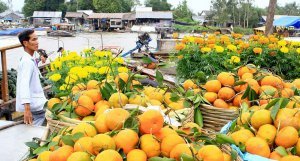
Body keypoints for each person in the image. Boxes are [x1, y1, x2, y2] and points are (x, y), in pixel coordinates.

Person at [16, 29, 47, 125]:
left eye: (37, 39)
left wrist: (39, 60)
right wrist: (27, 109)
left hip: (36, 103)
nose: (37, 42)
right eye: (33, 40)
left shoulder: (29, 59)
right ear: (25, 43)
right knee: (38, 130)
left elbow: (33, 64)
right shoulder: (27, 62)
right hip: (35, 105)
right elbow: (24, 85)